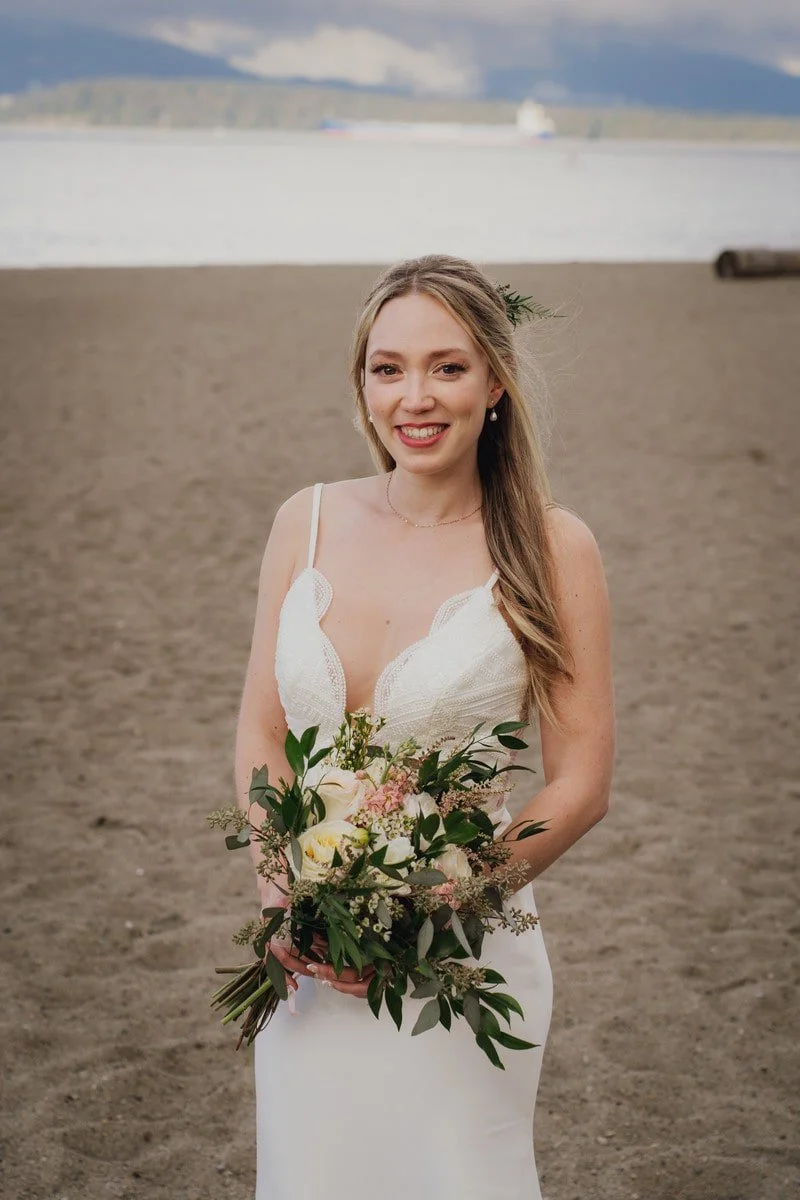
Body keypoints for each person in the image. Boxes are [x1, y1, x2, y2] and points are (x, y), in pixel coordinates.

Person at [234, 254, 615, 1199]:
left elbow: (580, 782)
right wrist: (284, 891)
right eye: (388, 367)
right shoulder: (305, 521)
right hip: (313, 963)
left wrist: (443, 898)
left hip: (462, 959)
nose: (417, 396)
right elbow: (261, 734)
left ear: (495, 383)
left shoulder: (551, 545)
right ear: (362, 384)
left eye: (447, 367)